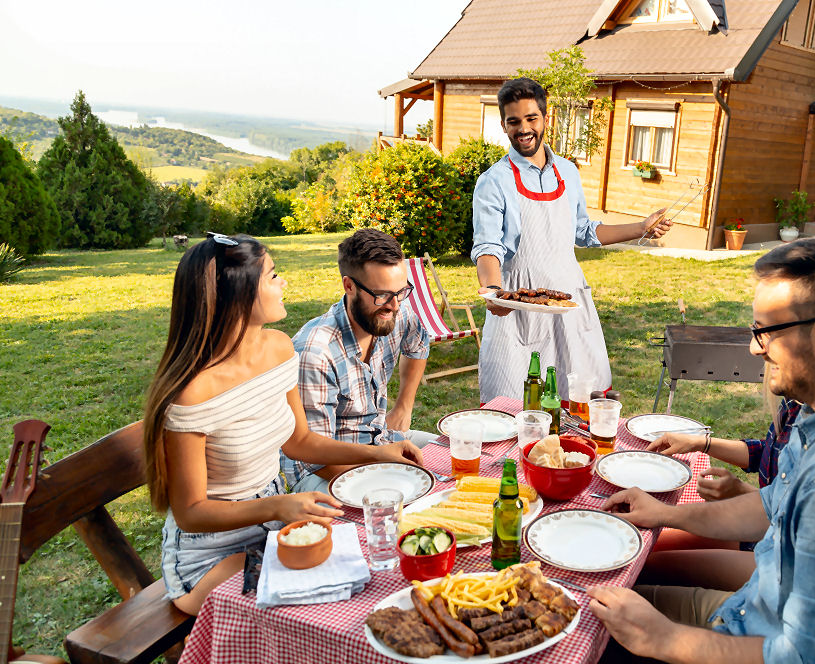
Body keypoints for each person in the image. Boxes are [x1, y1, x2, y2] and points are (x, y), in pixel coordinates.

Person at [590, 236, 815, 663]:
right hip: (755, 613)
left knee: (580, 634)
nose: (753, 348)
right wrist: (664, 515)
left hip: (767, 643)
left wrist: (665, 640)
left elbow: (811, 659)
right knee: (604, 586)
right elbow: (769, 508)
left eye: (765, 332)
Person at [143, 233, 423, 615]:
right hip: (210, 555)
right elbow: (191, 512)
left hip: (278, 528)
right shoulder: (192, 393)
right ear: (239, 294)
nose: (283, 283)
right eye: (273, 276)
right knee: (327, 605)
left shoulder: (276, 347)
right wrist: (278, 507)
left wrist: (377, 454)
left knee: (371, 571)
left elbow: (300, 441)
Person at [472, 77, 672, 403]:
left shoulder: (568, 172)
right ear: (504, 125)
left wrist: (641, 228)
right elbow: (488, 246)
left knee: (577, 405)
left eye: (531, 118)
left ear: (545, 119)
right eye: (514, 121)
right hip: (519, 306)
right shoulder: (493, 182)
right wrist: (494, 291)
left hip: (569, 303)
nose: (523, 128)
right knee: (514, 407)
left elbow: (583, 231)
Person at [281, 228, 435, 494]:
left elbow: (418, 344)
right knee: (400, 504)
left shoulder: (396, 311)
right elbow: (314, 456)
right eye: (382, 295)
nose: (395, 305)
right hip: (323, 471)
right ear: (349, 286)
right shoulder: (315, 352)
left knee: (455, 454)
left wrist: (404, 406)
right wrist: (388, 471)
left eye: (401, 292)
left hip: (383, 440)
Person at [642, 372, 801, 591]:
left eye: (764, 338)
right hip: (762, 532)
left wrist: (743, 492)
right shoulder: (798, 402)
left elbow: (788, 519)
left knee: (649, 566)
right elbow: (770, 451)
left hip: (779, 561)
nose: (756, 349)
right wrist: (700, 443)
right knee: (647, 550)